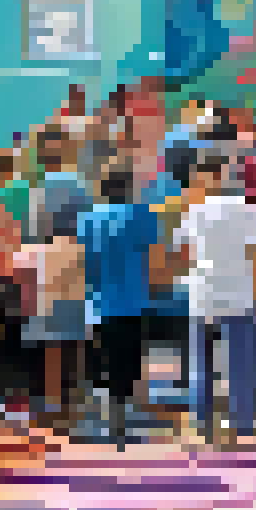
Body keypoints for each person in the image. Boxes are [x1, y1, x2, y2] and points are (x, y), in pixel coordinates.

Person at [177, 153, 256, 444]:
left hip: (203, 291)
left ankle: (203, 424)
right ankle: (242, 424)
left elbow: (183, 254)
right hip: (239, 291)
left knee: (201, 361)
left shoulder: (193, 212)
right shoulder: (248, 210)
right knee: (240, 362)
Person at [78, 165, 160, 445]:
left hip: (99, 302)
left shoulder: (88, 220)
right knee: (130, 363)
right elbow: (156, 253)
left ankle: (114, 417)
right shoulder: (143, 215)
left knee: (107, 362)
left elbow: (83, 259)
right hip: (134, 301)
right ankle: (122, 417)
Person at [21, 127, 93, 435]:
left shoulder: (39, 190)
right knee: (74, 334)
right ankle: (73, 406)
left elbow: (33, 229)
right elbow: (89, 223)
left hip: (49, 255)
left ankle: (52, 405)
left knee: (51, 336)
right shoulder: (80, 185)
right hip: (76, 255)